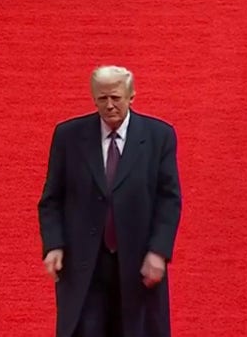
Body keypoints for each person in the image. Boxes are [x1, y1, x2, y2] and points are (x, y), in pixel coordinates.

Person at [37, 65, 182, 337]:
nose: (110, 105)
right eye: (102, 99)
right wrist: (54, 245)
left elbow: (169, 199)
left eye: (116, 98)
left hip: (138, 263)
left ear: (131, 96)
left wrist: (158, 251)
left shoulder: (158, 136)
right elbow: (51, 199)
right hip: (84, 263)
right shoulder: (68, 136)